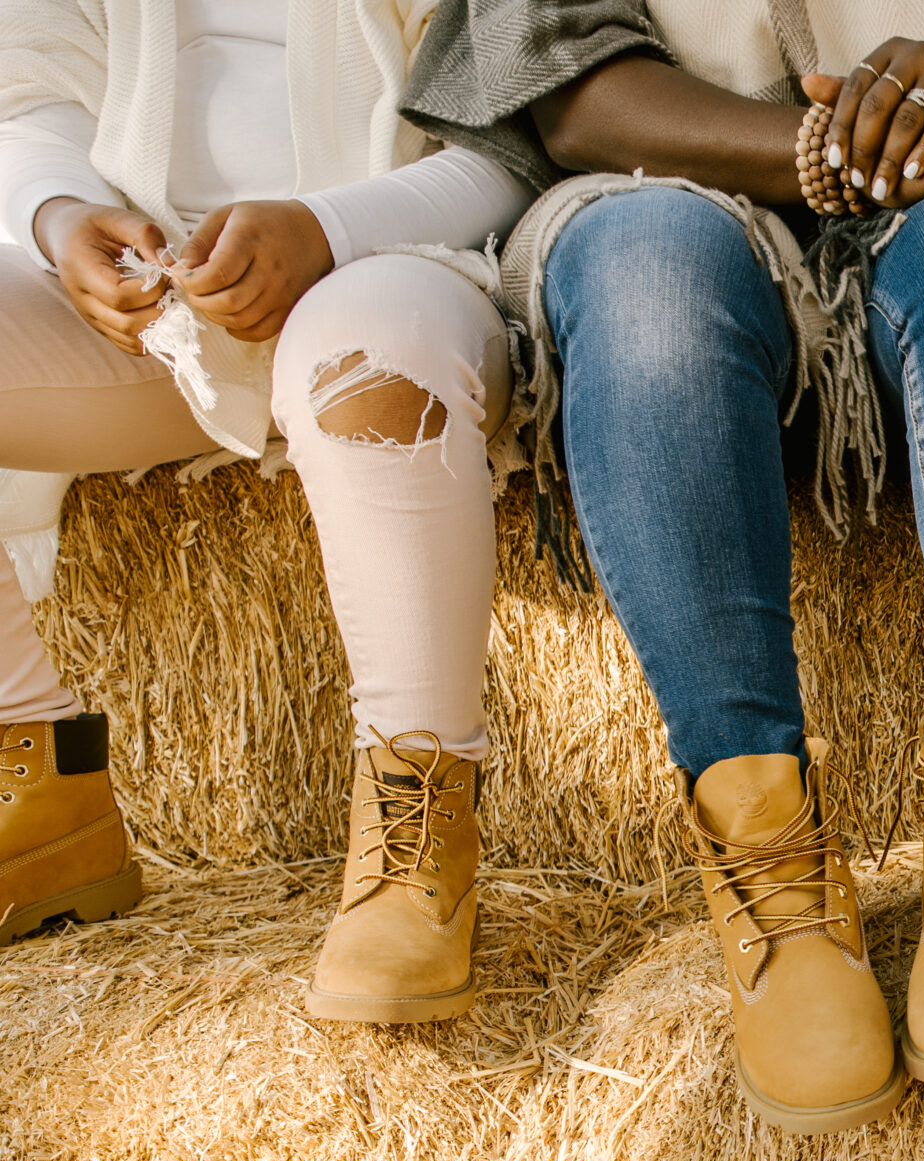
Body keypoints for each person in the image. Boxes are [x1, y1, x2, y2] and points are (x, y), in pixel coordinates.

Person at [401, 2, 924, 1124]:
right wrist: (834, 152)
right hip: (676, 184)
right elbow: (571, 88)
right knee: (643, 277)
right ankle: (770, 866)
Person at [0, 0, 531, 1023]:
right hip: (162, 307)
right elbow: (29, 89)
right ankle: (37, 780)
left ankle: (417, 826)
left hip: (406, 263)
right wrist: (60, 214)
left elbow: (517, 138)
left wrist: (325, 228)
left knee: (365, 361)